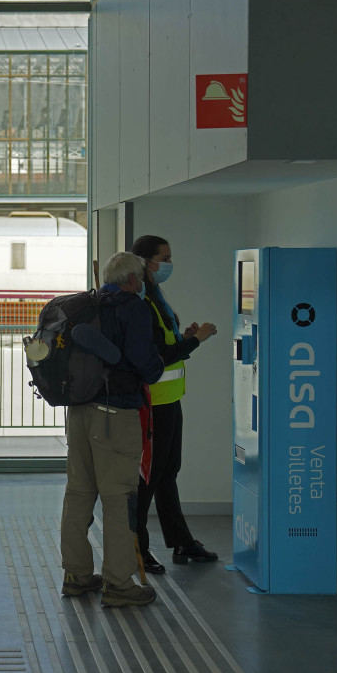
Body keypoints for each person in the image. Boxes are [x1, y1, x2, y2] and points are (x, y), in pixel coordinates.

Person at [60, 252, 164, 607]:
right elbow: (147, 366)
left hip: (78, 413)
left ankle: (76, 574)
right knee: (119, 497)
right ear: (133, 280)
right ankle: (119, 583)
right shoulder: (133, 307)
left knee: (78, 492)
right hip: (114, 415)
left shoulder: (86, 305)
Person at [130, 234, 219, 571]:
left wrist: (184, 338)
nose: (168, 264)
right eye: (163, 258)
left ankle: (181, 541)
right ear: (144, 261)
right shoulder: (142, 302)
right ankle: (138, 548)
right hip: (153, 405)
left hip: (169, 401)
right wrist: (195, 341)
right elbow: (159, 356)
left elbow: (167, 347)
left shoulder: (155, 298)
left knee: (168, 473)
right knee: (148, 477)